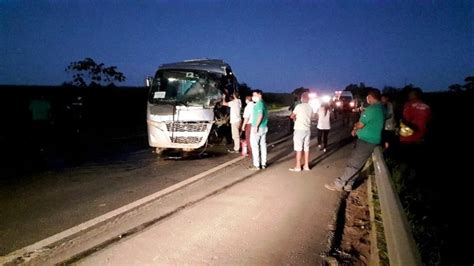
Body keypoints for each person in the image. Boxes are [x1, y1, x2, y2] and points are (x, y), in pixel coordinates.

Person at [325, 89, 385, 192]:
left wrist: (355, 127)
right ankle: (349, 185)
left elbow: (360, 124)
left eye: (367, 98)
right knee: (358, 163)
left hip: (366, 140)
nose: (367, 100)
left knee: (354, 163)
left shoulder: (372, 109)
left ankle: (339, 184)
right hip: (372, 139)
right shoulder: (382, 108)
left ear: (370, 97)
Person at [289, 92, 313, 171]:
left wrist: (295, 119)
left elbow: (292, 116)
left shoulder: (299, 106)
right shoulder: (310, 107)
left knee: (298, 148)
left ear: (302, 99)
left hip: (299, 129)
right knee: (306, 148)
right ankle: (306, 166)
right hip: (307, 129)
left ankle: (298, 166)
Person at [249, 89, 268, 170]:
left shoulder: (259, 104)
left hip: (258, 127)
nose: (253, 97)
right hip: (264, 127)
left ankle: (256, 165)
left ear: (260, 95)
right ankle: (263, 163)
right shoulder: (264, 103)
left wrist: (256, 126)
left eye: (255, 95)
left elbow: (260, 115)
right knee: (263, 145)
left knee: (255, 146)